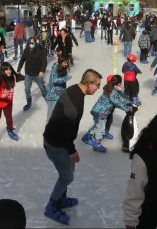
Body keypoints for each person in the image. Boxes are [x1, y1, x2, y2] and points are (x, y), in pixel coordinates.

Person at [43, 69, 102, 225]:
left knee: (68, 172)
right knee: (67, 176)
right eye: (97, 85)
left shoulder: (74, 90)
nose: (98, 89)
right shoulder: (75, 103)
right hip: (56, 144)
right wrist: (72, 151)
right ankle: (52, 205)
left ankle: (61, 199)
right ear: (88, 84)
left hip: (59, 141)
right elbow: (64, 129)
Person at [82, 74, 132, 153]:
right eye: (120, 83)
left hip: (99, 111)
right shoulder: (112, 92)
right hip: (101, 113)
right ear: (117, 84)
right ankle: (97, 145)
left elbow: (119, 98)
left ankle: (87, 136)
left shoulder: (111, 88)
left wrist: (130, 102)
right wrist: (128, 108)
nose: (121, 85)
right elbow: (117, 102)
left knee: (97, 126)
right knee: (100, 129)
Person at [0, 62, 18, 143]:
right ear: (2, 70)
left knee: (9, 117)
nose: (8, 71)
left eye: (10, 69)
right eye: (6, 70)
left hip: (7, 102)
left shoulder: (12, 78)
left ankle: (10, 130)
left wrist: (9, 99)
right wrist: (0, 95)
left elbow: (11, 90)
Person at [17, 36, 48, 112]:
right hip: (28, 73)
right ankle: (29, 102)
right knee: (27, 89)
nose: (32, 43)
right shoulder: (26, 51)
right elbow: (22, 60)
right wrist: (18, 69)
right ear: (28, 43)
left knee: (42, 87)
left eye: (33, 42)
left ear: (35, 42)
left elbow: (44, 61)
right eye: (30, 42)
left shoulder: (39, 51)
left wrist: (42, 70)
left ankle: (47, 98)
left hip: (37, 73)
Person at [45, 57, 71, 122]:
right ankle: (48, 130)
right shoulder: (55, 68)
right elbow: (54, 80)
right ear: (60, 61)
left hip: (59, 95)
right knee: (51, 114)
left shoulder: (62, 69)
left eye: (67, 63)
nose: (66, 64)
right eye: (65, 62)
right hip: (53, 95)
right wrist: (66, 78)